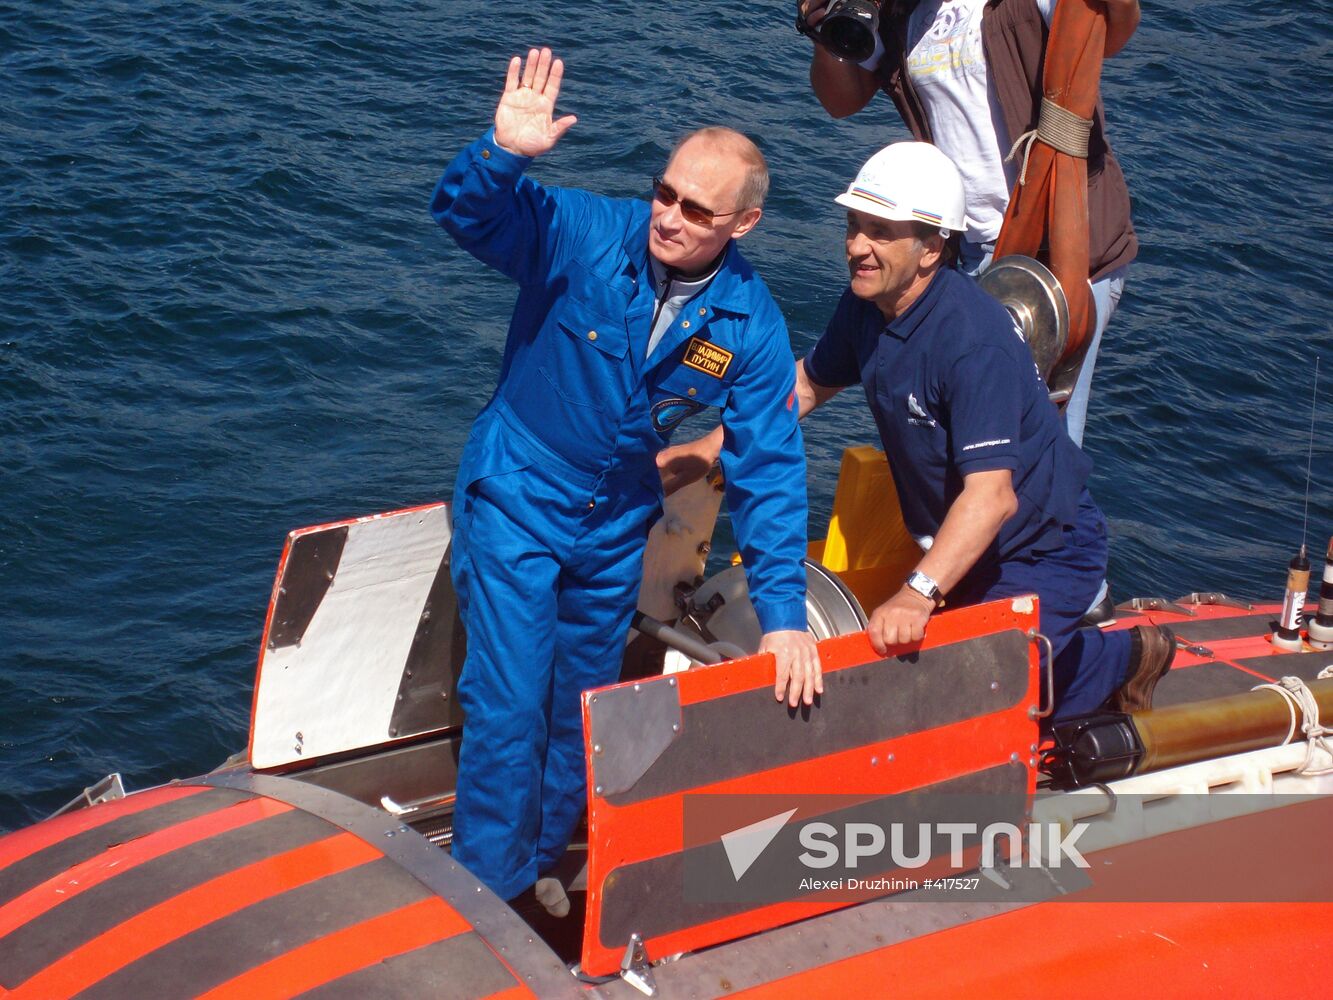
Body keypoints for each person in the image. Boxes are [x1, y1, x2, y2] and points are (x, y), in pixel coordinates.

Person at [430, 48, 822, 904]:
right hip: (518, 495)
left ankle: (537, 865)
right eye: (663, 193)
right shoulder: (582, 232)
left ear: (743, 224)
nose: (669, 217)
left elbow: (767, 465)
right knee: (508, 701)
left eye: (696, 209)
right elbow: (467, 217)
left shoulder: (750, 324)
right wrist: (502, 156)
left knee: (582, 708)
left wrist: (784, 617)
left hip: (613, 525)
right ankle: (484, 898)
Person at [661, 142, 1172, 724]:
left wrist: (916, 594)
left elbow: (992, 497)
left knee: (966, 700)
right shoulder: (869, 304)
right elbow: (804, 386)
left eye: (880, 232)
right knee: (926, 688)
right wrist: (706, 451)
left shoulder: (972, 342)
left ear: (931, 248)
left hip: (1041, 550)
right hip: (958, 547)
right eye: (854, 225)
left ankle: (1120, 660)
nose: (857, 246)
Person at [797, 0, 1140, 447]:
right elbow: (840, 100)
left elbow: (1113, 29)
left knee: (1031, 435)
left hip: (1063, 246)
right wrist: (824, 22)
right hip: (966, 251)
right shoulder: (900, 13)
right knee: (969, 422)